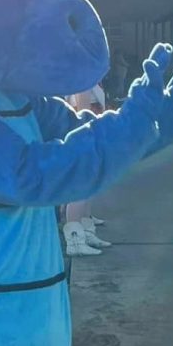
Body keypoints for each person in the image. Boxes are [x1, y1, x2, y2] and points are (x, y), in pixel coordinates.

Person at [64, 86, 113, 256]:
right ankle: (75, 240)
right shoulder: (83, 79)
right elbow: (83, 114)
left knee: (89, 185)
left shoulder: (89, 79)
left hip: (87, 132)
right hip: (85, 134)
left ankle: (86, 231)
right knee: (82, 186)